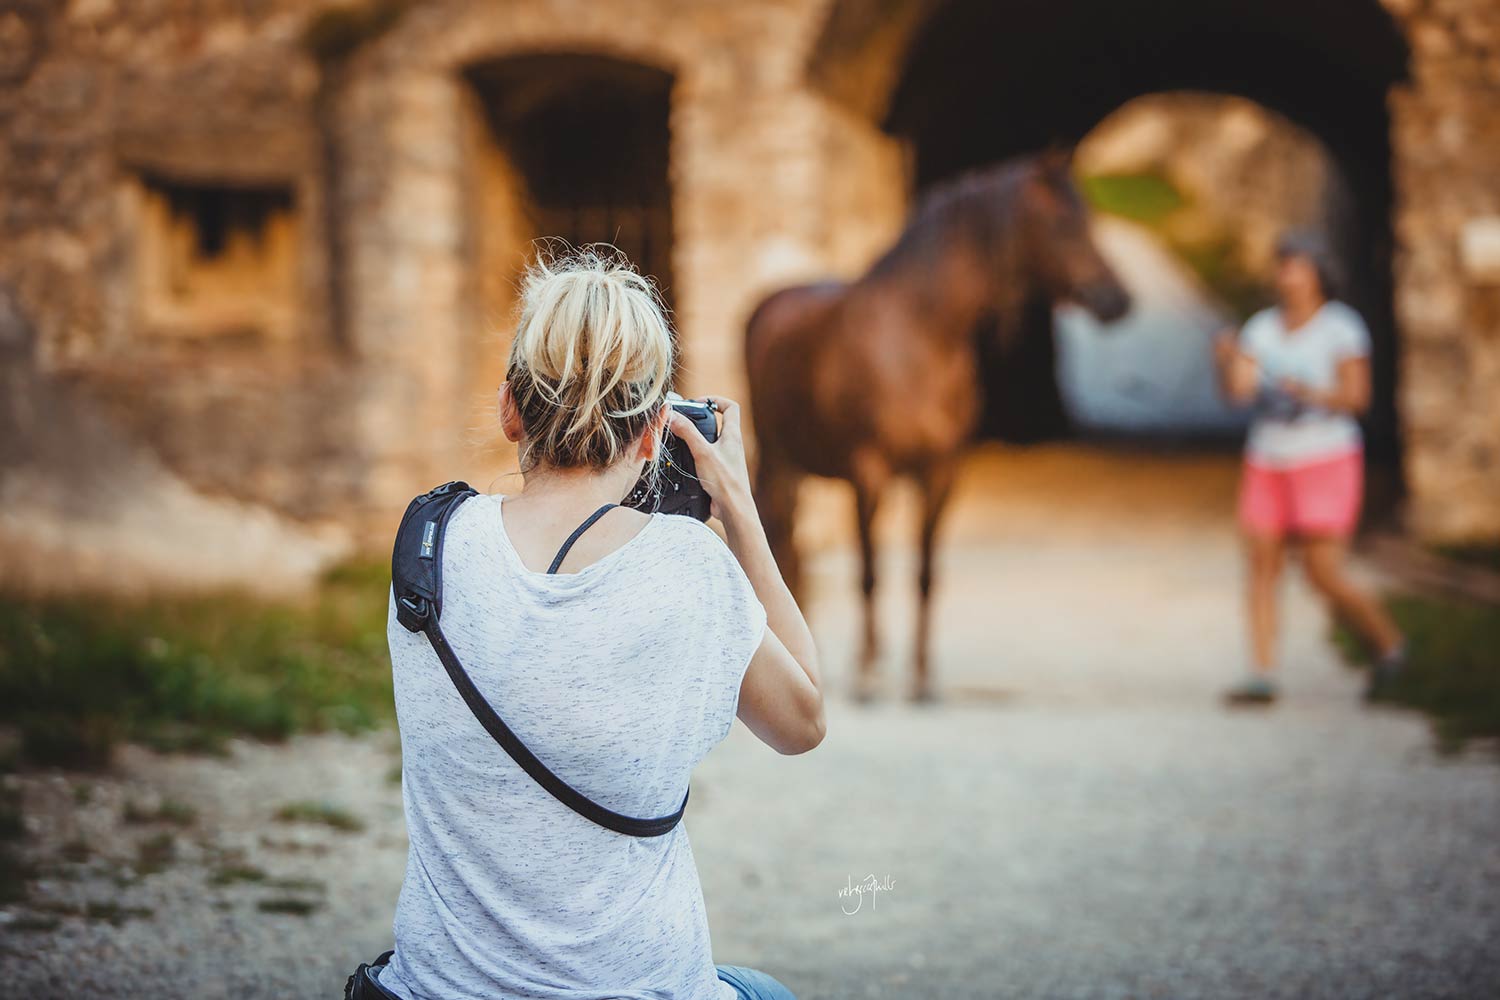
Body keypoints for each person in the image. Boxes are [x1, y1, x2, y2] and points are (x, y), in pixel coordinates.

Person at [375, 249, 825, 1000]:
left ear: (509, 409)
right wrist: (740, 507)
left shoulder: (430, 544)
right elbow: (803, 719)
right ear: (655, 434)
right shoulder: (688, 565)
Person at [1213, 231, 1404, 704]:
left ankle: (1390, 647)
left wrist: (1309, 393)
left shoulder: (1342, 328)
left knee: (1323, 573)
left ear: (1318, 272)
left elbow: (1357, 399)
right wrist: (1223, 361)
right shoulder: (1260, 329)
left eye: (1295, 265)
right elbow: (1238, 393)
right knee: (1261, 565)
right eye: (1281, 266)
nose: (1287, 276)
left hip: (1326, 457)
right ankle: (1261, 673)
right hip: (1268, 458)